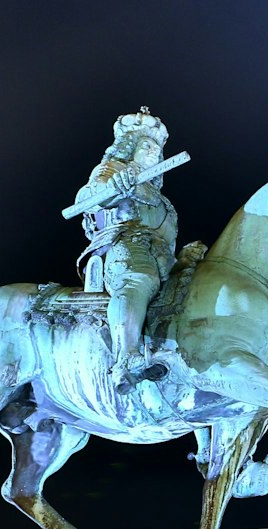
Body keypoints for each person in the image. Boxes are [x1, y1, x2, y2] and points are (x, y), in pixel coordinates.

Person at [75, 108, 179, 375]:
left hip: (163, 258)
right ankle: (126, 357)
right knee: (138, 279)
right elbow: (88, 197)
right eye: (147, 146)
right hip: (124, 246)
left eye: (157, 149)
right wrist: (113, 188)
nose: (153, 153)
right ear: (130, 147)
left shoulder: (159, 197)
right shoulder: (112, 171)